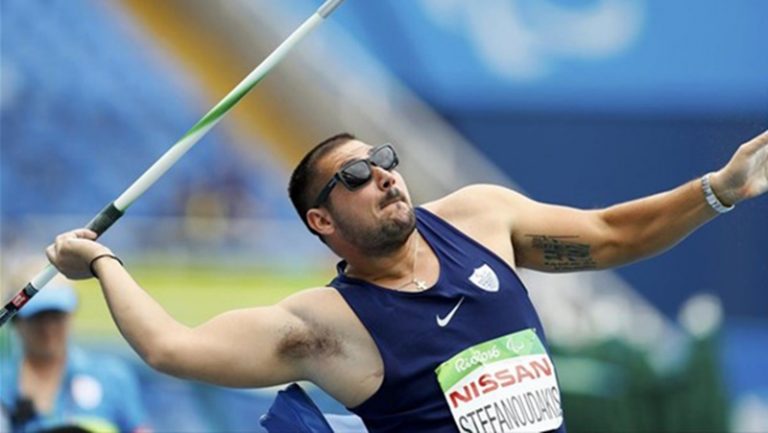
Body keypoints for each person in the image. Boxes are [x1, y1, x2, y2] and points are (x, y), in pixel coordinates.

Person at [45, 130, 768, 433]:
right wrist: (102, 263)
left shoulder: (481, 218)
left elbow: (611, 233)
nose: (383, 175)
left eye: (382, 159)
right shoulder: (324, 326)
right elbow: (172, 348)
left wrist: (718, 190)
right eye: (355, 175)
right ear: (322, 220)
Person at [0, 282, 150, 433]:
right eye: (38, 318)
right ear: (17, 322)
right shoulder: (4, 381)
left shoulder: (112, 376)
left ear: (70, 316)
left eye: (56, 316)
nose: (48, 328)